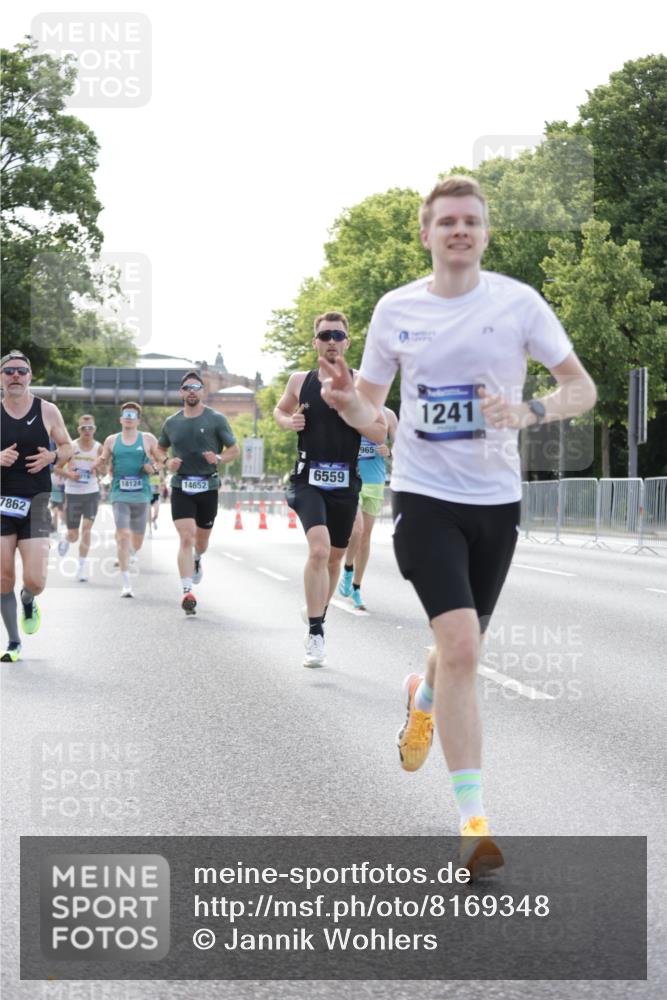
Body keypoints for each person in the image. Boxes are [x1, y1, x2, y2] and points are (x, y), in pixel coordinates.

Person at [319, 176, 597, 873]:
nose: (458, 231)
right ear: (425, 233)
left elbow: (580, 388)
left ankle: (422, 694)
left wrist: (530, 412)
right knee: (465, 650)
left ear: (484, 231)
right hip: (423, 498)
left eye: (470, 220)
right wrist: (349, 402)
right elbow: (377, 417)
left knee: (453, 657)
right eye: (445, 221)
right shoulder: (395, 310)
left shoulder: (517, 304)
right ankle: (473, 824)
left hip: (495, 505)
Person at [273, 312, 387, 668]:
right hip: (308, 479)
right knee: (319, 550)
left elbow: (381, 432)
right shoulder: (300, 381)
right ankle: (316, 632)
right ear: (316, 343)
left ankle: (317, 612)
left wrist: (352, 411)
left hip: (345, 483)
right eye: (325, 335)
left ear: (348, 342)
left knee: (336, 557)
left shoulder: (363, 384)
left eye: (338, 335)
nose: (332, 340)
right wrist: (288, 420)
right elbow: (279, 410)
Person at [0, 351, 72, 662]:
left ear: (30, 377)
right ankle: (14, 642)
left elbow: (67, 447)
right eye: (9, 371)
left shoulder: (48, 410)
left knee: (36, 581)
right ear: (1, 378)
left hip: (38, 502)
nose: (15, 375)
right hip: (1, 502)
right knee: (2, 578)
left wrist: (52, 457)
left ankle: (28, 600)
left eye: (21, 371)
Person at [156, 371, 239, 615]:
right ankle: (186, 591)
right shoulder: (172, 422)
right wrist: (166, 462)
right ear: (181, 392)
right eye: (187, 387)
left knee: (201, 542)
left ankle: (197, 558)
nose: (192, 390)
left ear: (202, 391)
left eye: (196, 386)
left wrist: (220, 457)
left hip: (208, 486)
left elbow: (234, 449)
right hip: (181, 485)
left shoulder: (216, 419)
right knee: (186, 536)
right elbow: (160, 449)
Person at [97, 402, 161, 598]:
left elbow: (159, 462)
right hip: (119, 494)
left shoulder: (148, 439)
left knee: (138, 541)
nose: (129, 417)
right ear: (120, 418)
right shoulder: (111, 440)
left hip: (141, 494)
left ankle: (132, 552)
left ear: (138, 420)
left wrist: (153, 468)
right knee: (123, 536)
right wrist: (99, 464)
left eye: (132, 415)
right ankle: (126, 584)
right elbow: (103, 460)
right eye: (126, 414)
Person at [338, 406, 398, 610]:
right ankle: (347, 568)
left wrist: (389, 451)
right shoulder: (353, 409)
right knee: (357, 530)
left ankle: (356, 587)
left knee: (365, 537)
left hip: (375, 482)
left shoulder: (388, 415)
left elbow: (400, 449)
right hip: (351, 479)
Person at [57, 414, 103, 582]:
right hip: (73, 493)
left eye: (90, 427)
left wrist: (99, 467)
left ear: (94, 429)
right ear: (79, 430)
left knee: (87, 529)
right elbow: (56, 468)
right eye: (84, 428)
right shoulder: (71, 446)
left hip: (91, 492)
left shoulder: (99, 447)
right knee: (74, 534)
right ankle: (65, 539)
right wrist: (69, 474)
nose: (87, 431)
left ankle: (81, 568)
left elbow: (105, 468)